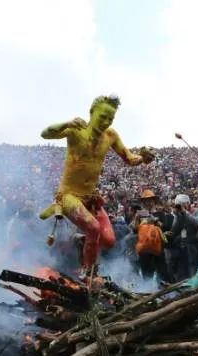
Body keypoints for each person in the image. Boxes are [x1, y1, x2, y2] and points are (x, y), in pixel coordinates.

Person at [39, 95, 154, 275]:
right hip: (68, 197)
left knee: (108, 240)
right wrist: (67, 123)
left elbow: (129, 158)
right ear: (92, 112)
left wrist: (143, 158)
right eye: (103, 117)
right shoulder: (77, 130)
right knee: (93, 228)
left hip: (90, 199)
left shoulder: (111, 135)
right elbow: (45, 133)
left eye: (111, 118)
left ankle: (81, 241)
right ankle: (89, 274)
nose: (106, 122)